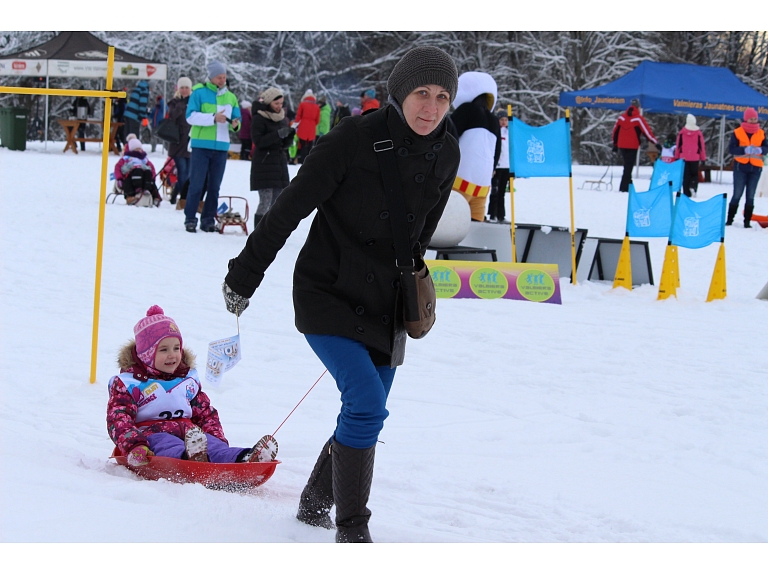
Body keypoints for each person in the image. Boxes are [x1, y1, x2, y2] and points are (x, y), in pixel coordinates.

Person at [221, 45, 460, 543]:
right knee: (368, 406)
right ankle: (352, 531)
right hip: (327, 290)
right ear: (399, 93)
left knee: (362, 414)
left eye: (442, 97)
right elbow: (288, 209)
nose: (431, 108)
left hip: (387, 304)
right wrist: (244, 275)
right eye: (421, 93)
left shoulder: (447, 149)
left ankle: (314, 502)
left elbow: (424, 229)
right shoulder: (352, 139)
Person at [107, 305, 277, 466]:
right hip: (150, 436)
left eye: (176, 348)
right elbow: (119, 419)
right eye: (163, 350)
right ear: (146, 354)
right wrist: (134, 445)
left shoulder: (187, 380)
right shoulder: (130, 384)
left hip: (192, 436)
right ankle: (190, 458)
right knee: (167, 443)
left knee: (214, 446)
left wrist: (215, 438)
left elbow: (206, 414)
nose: (172, 355)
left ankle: (247, 458)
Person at [183, 60, 241, 233]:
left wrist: (236, 124)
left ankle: (208, 219)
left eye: (224, 77)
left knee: (215, 187)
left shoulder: (231, 97)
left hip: (221, 147)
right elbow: (190, 117)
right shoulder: (198, 93)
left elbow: (236, 120)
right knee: (197, 184)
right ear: (211, 77)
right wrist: (213, 118)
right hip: (201, 145)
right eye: (219, 77)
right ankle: (190, 218)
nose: (222, 80)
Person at [449, 71, 501, 222]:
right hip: (483, 184)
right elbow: (497, 151)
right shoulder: (494, 120)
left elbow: (449, 137)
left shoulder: (465, 110)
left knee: (451, 220)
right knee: (475, 222)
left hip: (460, 179)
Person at [249, 87, 295, 230]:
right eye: (276, 103)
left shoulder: (282, 118)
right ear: (269, 102)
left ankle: (270, 231)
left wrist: (289, 136)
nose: (279, 106)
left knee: (277, 200)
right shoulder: (259, 118)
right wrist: (278, 134)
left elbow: (284, 144)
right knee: (265, 200)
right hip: (264, 163)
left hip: (279, 163)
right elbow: (259, 141)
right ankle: (258, 232)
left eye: (281, 103)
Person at [727, 107, 768, 227]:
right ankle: (730, 220)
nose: (753, 121)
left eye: (755, 118)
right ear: (746, 119)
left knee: (750, 195)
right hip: (741, 167)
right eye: (751, 119)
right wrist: (744, 149)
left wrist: (761, 150)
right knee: (737, 194)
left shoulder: (761, 132)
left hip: (755, 168)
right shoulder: (737, 132)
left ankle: (747, 222)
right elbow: (732, 149)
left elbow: (766, 147)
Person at [611, 100, 658, 192]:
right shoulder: (638, 119)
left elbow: (615, 131)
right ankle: (624, 187)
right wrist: (655, 142)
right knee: (628, 166)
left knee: (627, 165)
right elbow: (646, 132)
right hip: (632, 145)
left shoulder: (621, 118)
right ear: (638, 108)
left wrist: (615, 144)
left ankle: (628, 184)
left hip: (621, 145)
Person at [166, 77, 193, 206]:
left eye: (186, 87)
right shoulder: (174, 102)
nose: (184, 90)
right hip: (177, 142)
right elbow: (172, 116)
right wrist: (182, 105)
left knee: (188, 172)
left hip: (190, 141)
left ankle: (176, 193)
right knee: (183, 171)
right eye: (182, 87)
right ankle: (184, 198)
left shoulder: (194, 101)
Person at [114, 137, 162, 207]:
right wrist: (119, 178)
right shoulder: (127, 158)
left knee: (150, 180)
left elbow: (151, 167)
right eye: (136, 149)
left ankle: (155, 197)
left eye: (139, 149)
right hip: (130, 177)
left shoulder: (144, 159)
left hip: (144, 177)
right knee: (131, 178)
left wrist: (153, 177)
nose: (138, 151)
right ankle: (129, 196)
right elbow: (117, 168)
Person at [674, 115, 706, 198]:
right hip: (695, 157)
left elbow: (678, 145)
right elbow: (701, 146)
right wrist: (703, 158)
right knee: (694, 174)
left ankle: (686, 192)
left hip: (683, 157)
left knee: (686, 175)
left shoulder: (681, 133)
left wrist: (677, 156)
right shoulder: (698, 133)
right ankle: (693, 186)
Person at [488, 110, 509, 223]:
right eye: (501, 120)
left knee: (502, 192)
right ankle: (492, 214)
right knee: (494, 192)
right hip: (497, 166)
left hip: (506, 166)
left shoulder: (509, 133)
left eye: (505, 120)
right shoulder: (495, 131)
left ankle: (501, 215)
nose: (503, 122)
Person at [293, 89, 320, 164]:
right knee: (310, 144)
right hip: (312, 127)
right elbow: (318, 120)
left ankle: (301, 159)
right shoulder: (317, 106)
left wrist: (294, 125)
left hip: (303, 126)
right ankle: (309, 160)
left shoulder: (302, 104)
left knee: (302, 144)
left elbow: (298, 117)